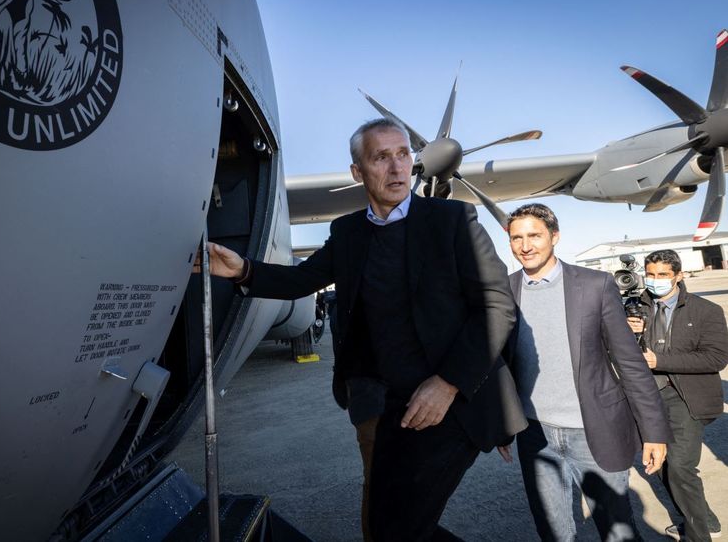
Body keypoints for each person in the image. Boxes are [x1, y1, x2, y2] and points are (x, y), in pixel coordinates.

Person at [206, 118, 526, 541]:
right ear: (358, 172)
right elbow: (302, 280)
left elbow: (497, 306)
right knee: (383, 524)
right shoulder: (349, 232)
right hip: (394, 406)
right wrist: (242, 270)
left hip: (453, 404)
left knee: (401, 529)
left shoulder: (452, 220)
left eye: (403, 155)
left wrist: (448, 383)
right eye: (381, 158)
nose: (397, 169)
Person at [500, 203, 671, 541]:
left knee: (618, 532)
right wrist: (501, 426)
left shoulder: (595, 285)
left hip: (593, 430)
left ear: (555, 236)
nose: (525, 245)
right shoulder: (505, 290)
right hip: (535, 435)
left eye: (534, 235)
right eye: (516, 238)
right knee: (554, 533)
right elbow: (501, 367)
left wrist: (654, 430)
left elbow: (630, 363)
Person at [627, 250, 727, 541]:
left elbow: (716, 358)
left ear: (679, 276)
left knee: (681, 467)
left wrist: (661, 361)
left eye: (663, 275)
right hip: (648, 397)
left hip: (686, 397)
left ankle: (699, 535)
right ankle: (703, 517)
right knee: (658, 465)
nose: (655, 281)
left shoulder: (706, 310)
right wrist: (627, 332)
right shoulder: (635, 309)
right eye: (651, 275)